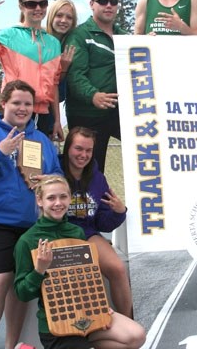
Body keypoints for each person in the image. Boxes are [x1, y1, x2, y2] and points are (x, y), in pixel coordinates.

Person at [0, 80, 63, 349]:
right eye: (17, 102)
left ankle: (11, 345)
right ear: (4, 103)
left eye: (28, 104)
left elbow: (59, 176)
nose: (23, 108)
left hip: (30, 225)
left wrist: (48, 179)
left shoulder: (40, 139)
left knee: (19, 286)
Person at [14, 175, 146, 349]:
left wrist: (99, 305)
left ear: (70, 198)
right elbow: (22, 293)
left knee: (136, 336)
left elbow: (87, 277)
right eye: (51, 198)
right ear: (39, 200)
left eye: (63, 196)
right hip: (56, 323)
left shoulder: (76, 232)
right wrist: (39, 270)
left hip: (87, 313)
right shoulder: (28, 240)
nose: (58, 203)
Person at [0, 0, 63, 139]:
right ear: (21, 6)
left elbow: (54, 85)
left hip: (44, 116)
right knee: (9, 159)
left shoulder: (54, 43)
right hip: (15, 110)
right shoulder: (9, 35)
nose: (38, 8)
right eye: (31, 4)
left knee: (38, 162)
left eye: (43, 3)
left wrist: (57, 121)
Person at [61, 126, 133, 318]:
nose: (83, 155)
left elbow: (102, 223)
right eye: (78, 148)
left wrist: (118, 213)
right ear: (67, 148)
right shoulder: (54, 171)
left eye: (88, 150)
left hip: (88, 232)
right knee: (84, 273)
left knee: (118, 269)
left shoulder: (97, 178)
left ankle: (127, 325)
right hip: (59, 233)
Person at [64, 0, 126, 173]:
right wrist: (93, 95)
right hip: (86, 115)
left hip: (115, 112)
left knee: (149, 144)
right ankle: (80, 202)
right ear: (91, 4)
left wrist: (150, 42)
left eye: (113, 1)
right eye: (103, 1)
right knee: (88, 171)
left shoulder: (124, 37)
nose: (109, 5)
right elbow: (75, 75)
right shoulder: (79, 35)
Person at [46, 0, 77, 105]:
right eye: (59, 15)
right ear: (51, 16)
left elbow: (59, 94)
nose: (64, 20)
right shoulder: (39, 40)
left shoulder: (72, 47)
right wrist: (62, 69)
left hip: (52, 107)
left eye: (69, 17)